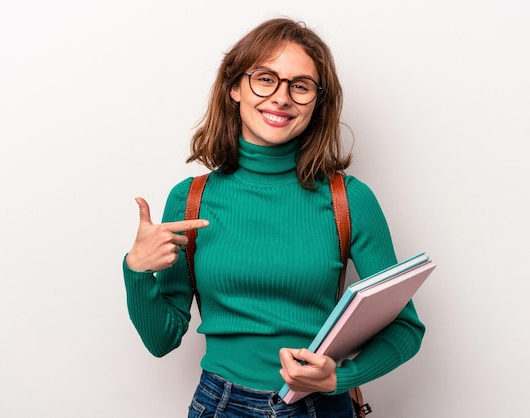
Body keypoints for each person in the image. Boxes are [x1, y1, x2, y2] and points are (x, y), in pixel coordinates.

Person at [123, 17, 425, 417]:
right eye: (265, 79)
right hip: (221, 406)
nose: (282, 98)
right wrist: (136, 270)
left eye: (300, 86)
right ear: (234, 88)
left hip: (322, 407)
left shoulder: (349, 200)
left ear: (317, 102)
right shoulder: (190, 199)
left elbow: (406, 328)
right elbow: (162, 340)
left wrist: (339, 378)